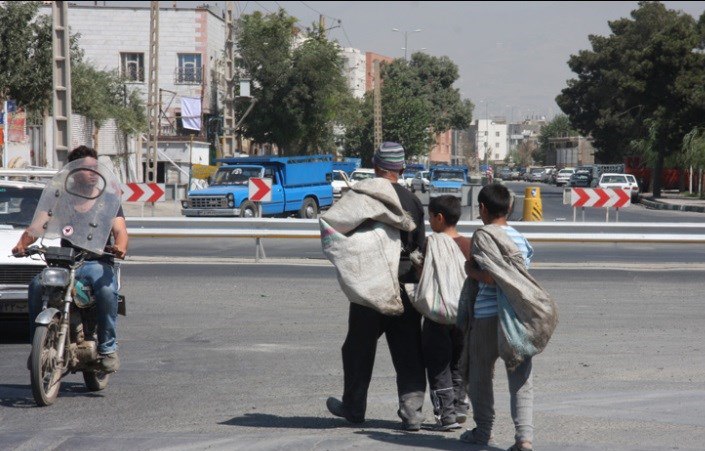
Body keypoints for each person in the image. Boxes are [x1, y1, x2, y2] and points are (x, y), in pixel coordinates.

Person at [326, 142, 427, 431]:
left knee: (358, 346)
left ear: (375, 167)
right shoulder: (411, 201)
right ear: (402, 169)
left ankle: (354, 408)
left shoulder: (360, 197)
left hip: (368, 285)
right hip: (405, 284)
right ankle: (412, 413)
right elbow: (420, 246)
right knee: (408, 348)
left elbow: (340, 233)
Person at [13, 145, 128, 373]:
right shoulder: (61, 199)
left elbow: (120, 231)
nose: (93, 173)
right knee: (36, 285)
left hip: (96, 262)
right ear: (73, 171)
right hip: (65, 262)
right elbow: (37, 226)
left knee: (106, 291)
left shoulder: (108, 201)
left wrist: (120, 247)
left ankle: (107, 348)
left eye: (96, 168)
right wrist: (22, 244)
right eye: (87, 169)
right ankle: (38, 344)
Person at [459, 183, 535, 451]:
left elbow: (491, 278)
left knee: (480, 377)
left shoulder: (482, 237)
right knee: (521, 382)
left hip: (487, 317)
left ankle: (484, 433)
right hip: (517, 318)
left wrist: (471, 271)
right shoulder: (521, 241)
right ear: (510, 208)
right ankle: (524, 440)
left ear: (482, 208)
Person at [420, 195, 471, 431]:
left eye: (430, 217)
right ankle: (460, 407)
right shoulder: (468, 244)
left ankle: (446, 416)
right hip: (463, 316)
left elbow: (423, 274)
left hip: (437, 315)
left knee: (439, 365)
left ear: (439, 218)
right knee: (459, 363)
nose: (429, 222)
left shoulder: (433, 243)